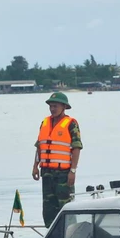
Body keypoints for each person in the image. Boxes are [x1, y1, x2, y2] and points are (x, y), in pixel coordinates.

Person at [32, 92, 82, 227]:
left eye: (55, 106)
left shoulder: (71, 124)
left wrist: (73, 171)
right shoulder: (44, 122)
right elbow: (40, 146)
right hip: (46, 173)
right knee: (48, 209)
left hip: (63, 175)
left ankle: (70, 234)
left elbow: (76, 148)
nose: (52, 109)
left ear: (64, 107)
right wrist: (35, 166)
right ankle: (51, 233)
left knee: (66, 208)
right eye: (51, 106)